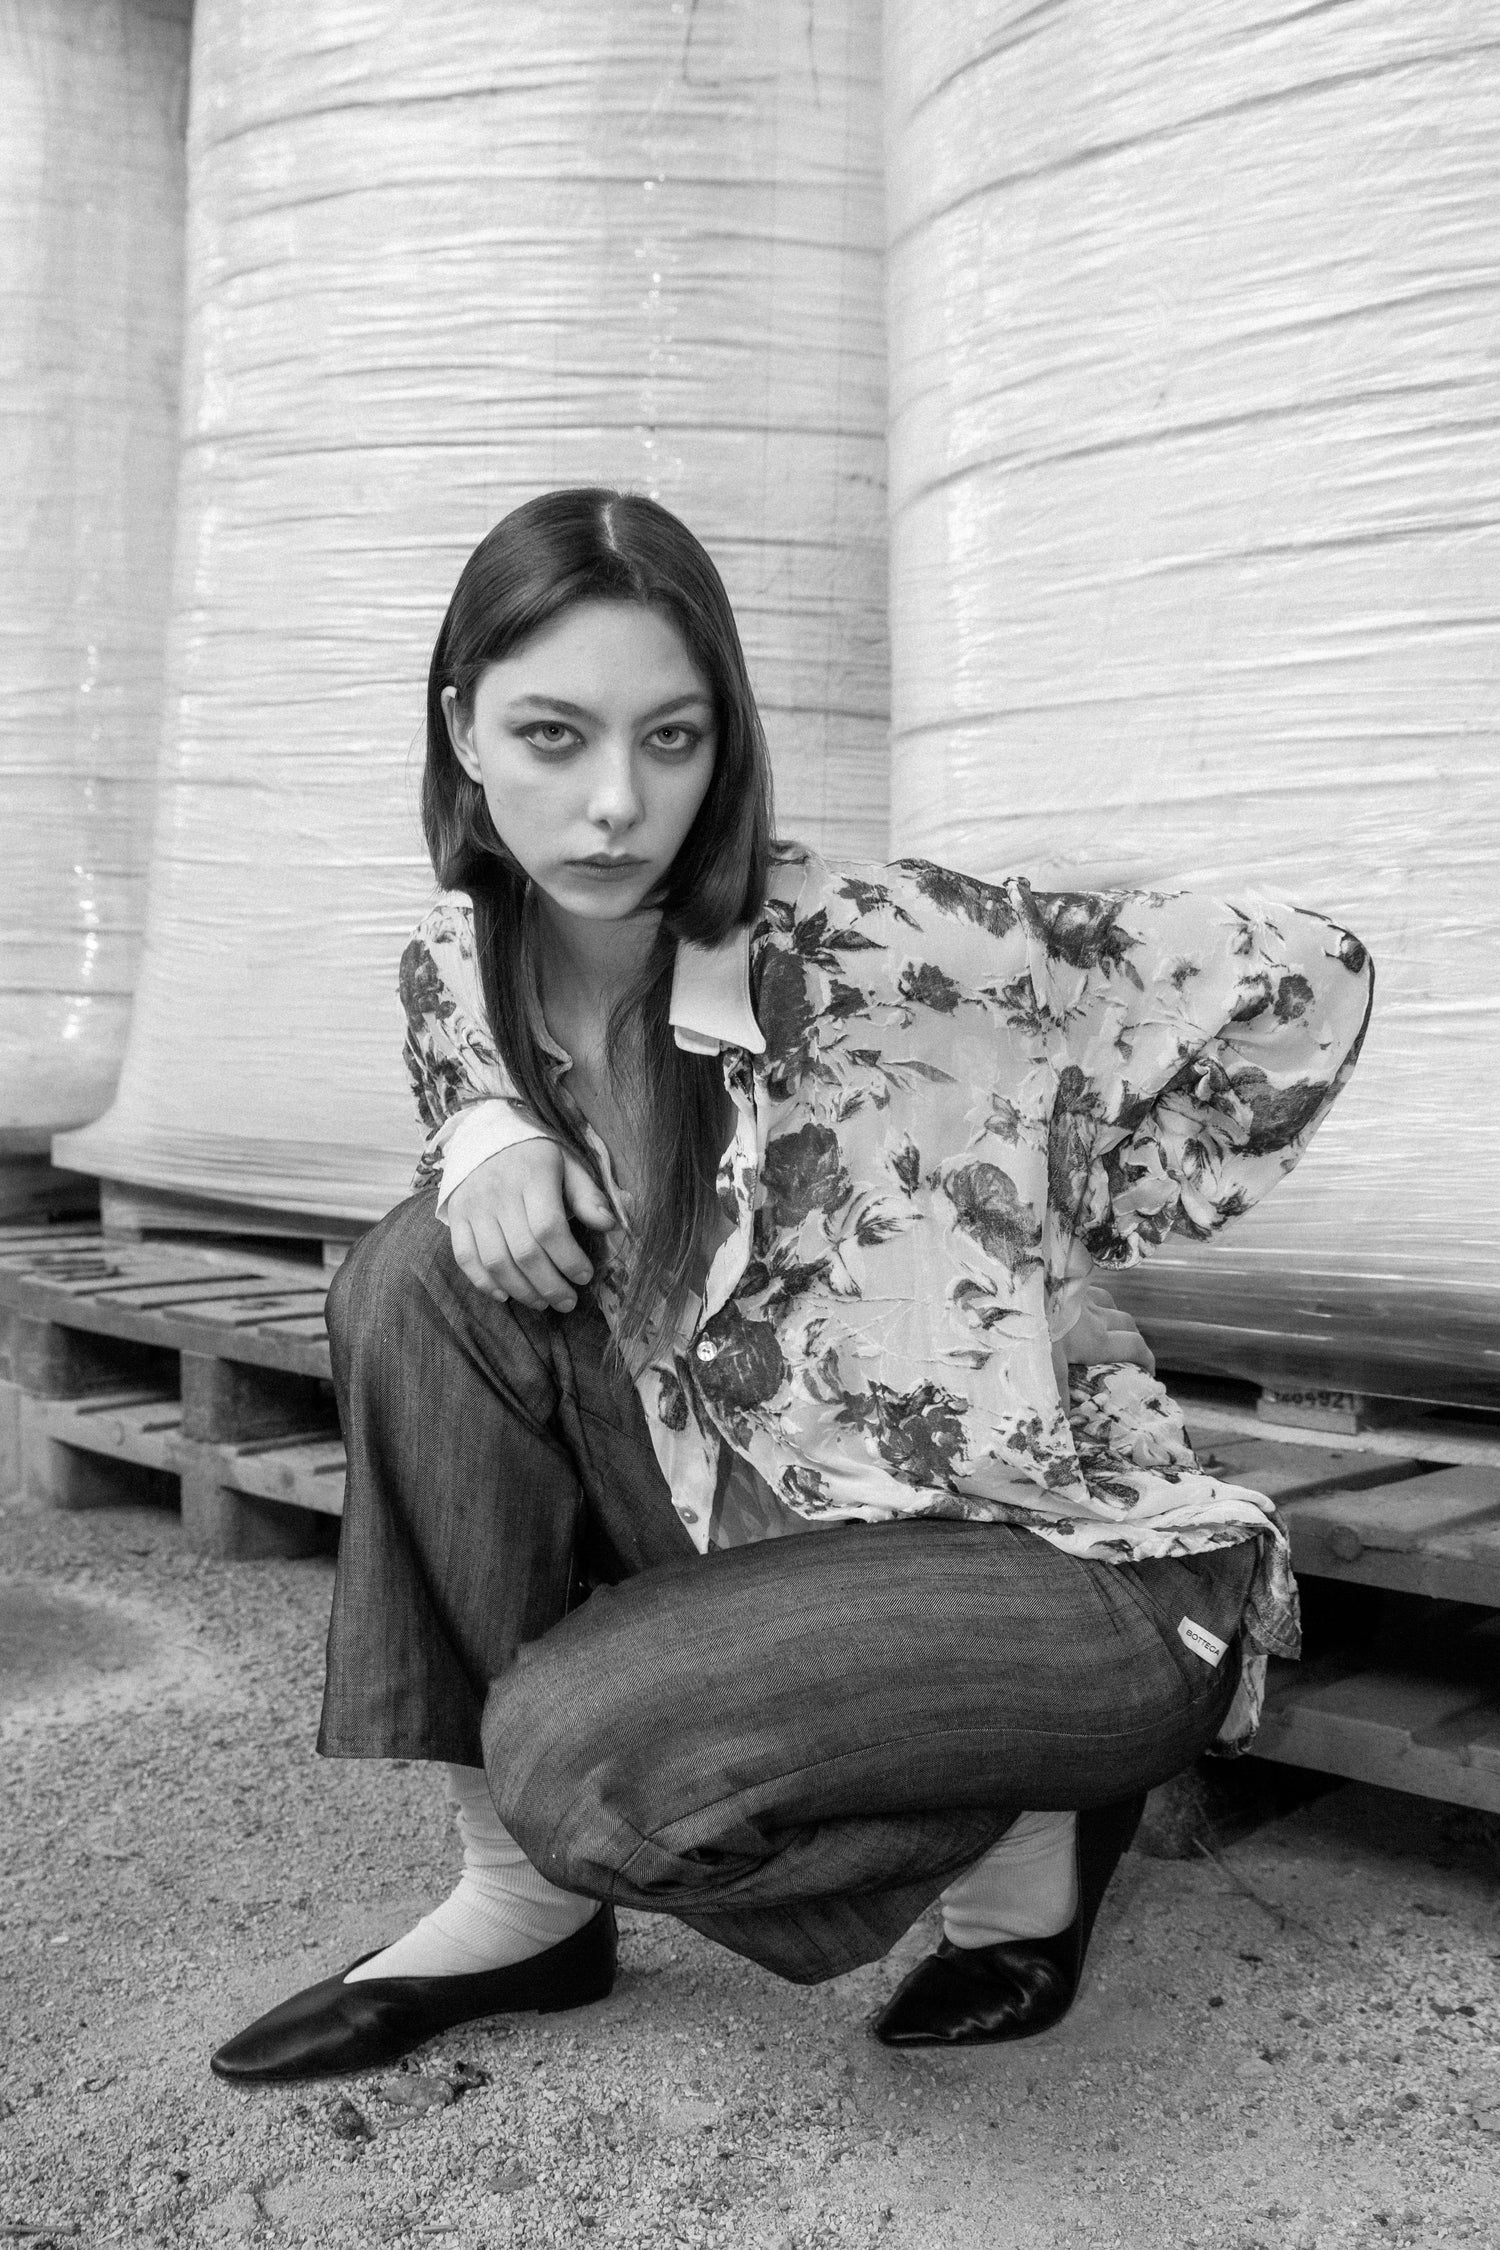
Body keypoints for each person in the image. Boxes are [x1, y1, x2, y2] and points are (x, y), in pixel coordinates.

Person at [210, 489, 1373, 2083]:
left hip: (1055, 1568)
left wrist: (1059, 1211)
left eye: (670, 740)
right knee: (417, 1273)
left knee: (580, 1761)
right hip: (786, 1520)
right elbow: (460, 1068)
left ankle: (1036, 1826)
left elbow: (1307, 974)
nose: (615, 805)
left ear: (725, 742)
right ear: (464, 730)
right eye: (553, 735)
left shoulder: (876, 945)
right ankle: (524, 1911)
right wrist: (482, 1130)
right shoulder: (461, 960)